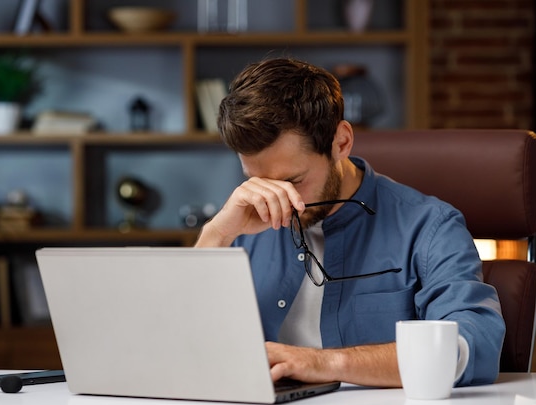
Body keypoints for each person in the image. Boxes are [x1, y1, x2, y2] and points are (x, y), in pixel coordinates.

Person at [195, 57, 505, 388]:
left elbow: (475, 346)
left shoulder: (429, 227)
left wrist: (326, 363)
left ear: (341, 142)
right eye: (258, 180)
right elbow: (175, 335)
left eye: (294, 180)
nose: (277, 199)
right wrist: (216, 235)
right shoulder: (243, 222)